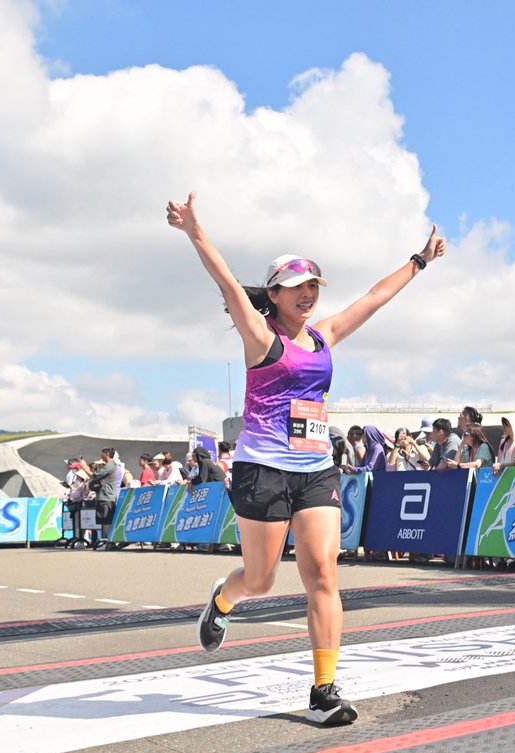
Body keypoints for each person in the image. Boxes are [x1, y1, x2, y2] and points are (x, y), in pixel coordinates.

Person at [168, 189, 445, 725]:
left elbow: (372, 297)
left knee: (323, 574)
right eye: (296, 287)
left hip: (316, 469)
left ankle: (324, 689)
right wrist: (194, 230)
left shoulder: (323, 336)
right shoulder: (258, 335)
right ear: (272, 295)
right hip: (262, 471)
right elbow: (225, 279)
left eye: (314, 285)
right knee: (261, 580)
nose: (308, 294)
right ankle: (224, 600)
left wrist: (419, 261)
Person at [90, 448, 120, 548]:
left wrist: (84, 467)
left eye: (102, 453)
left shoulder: (110, 465)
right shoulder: (112, 465)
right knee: (105, 521)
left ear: (107, 454)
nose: (100, 455)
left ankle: (109, 543)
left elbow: (95, 476)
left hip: (106, 497)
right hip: (106, 497)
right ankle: (109, 542)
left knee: (106, 521)